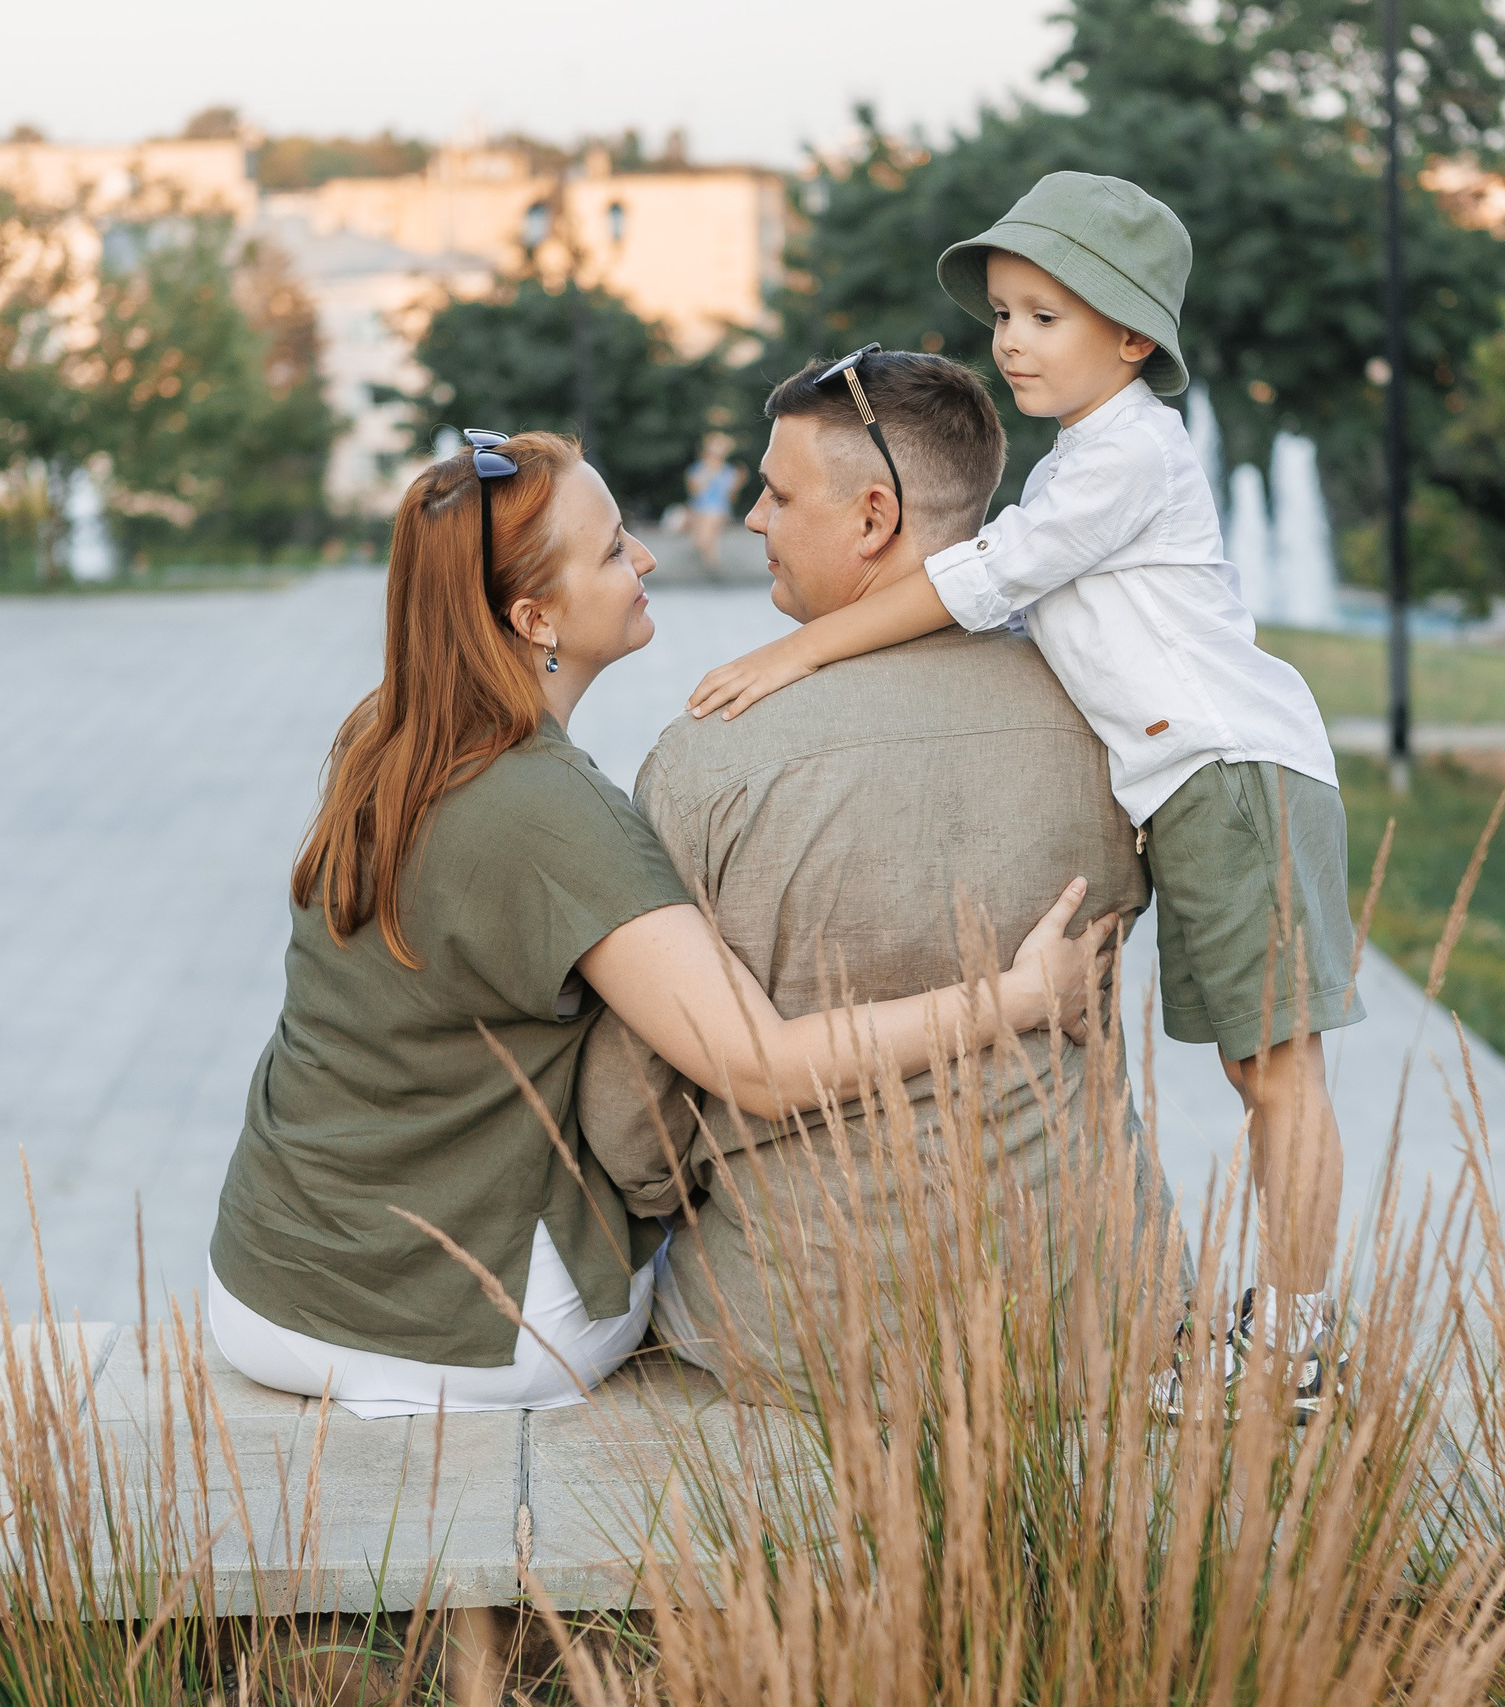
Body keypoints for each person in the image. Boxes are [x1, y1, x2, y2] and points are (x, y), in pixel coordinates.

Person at [206, 432, 1115, 1418]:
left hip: (260, 1289)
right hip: (455, 1331)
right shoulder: (550, 814)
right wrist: (1019, 996)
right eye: (609, 551)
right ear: (533, 615)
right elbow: (758, 1070)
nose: (643, 558)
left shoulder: (385, 736)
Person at [683, 173, 1363, 1308]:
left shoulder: (1126, 459)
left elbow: (979, 578)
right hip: (1193, 782)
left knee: (1280, 1074)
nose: (1012, 344)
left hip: (1234, 774)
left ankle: (1301, 1331)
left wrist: (800, 651)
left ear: (1135, 337)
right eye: (1002, 315)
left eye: (1045, 318)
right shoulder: (1082, 464)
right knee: (1257, 1069)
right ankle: (1292, 1319)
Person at [577, 351, 1173, 1405]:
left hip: (796, 1321)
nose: (754, 518)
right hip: (1088, 1307)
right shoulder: (1119, 731)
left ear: (872, 517)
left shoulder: (709, 758)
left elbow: (634, 1113)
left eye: (777, 492)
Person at [683, 431, 740, 571]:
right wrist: (708, 474)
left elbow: (731, 499)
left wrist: (737, 484)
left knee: (711, 518)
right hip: (699, 510)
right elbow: (695, 493)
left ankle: (709, 557)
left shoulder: (729, 472)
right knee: (706, 523)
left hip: (719, 511)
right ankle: (711, 560)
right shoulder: (697, 469)